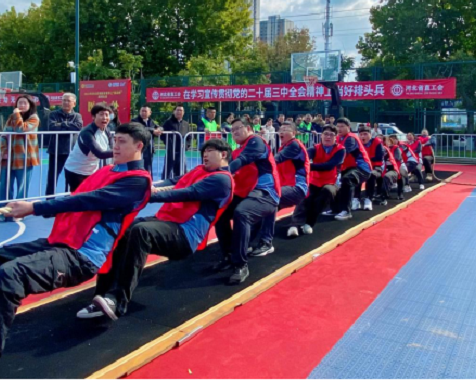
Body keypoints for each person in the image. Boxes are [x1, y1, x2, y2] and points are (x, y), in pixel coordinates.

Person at [0, 123, 151, 380]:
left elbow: (88, 200)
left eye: (122, 142)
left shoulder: (137, 181)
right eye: (114, 140)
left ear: (139, 146)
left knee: (9, 276)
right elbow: (77, 196)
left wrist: (35, 207)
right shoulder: (107, 171)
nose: (115, 146)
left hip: (81, 256)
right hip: (56, 243)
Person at [78, 138, 234, 320]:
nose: (205, 155)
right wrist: (143, 185)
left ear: (223, 154)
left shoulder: (222, 179)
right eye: (204, 151)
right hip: (168, 221)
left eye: (210, 151)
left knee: (141, 232)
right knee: (123, 229)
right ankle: (102, 293)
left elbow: (187, 193)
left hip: (185, 233)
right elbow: (174, 181)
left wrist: (145, 195)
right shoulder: (199, 171)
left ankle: (117, 300)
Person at [214, 119, 280, 284]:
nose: (234, 132)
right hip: (246, 193)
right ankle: (229, 254)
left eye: (238, 128)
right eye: (232, 130)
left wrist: (223, 172)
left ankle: (240, 264)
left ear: (249, 128)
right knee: (219, 212)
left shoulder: (256, 142)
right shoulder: (237, 151)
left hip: (266, 193)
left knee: (242, 213)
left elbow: (240, 162)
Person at [259, 122, 310, 239]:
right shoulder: (284, 147)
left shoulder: (294, 145)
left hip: (297, 187)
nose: (281, 132)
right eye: (280, 130)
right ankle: (252, 237)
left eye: (285, 130)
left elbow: (275, 160)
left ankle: (266, 240)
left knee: (268, 198)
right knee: (263, 208)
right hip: (286, 186)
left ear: (294, 133)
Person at [0, 95, 40, 222]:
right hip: (9, 157)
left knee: (22, 186)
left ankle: (19, 213)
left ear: (30, 105)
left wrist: (17, 115)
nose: (21, 105)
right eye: (19, 103)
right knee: (5, 186)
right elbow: (4, 134)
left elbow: (22, 129)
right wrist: (4, 150)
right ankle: (3, 212)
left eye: (24, 103)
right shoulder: (12, 117)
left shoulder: (34, 118)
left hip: (25, 157)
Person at [298, 124, 345, 235]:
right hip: (314, 181)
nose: (328, 137)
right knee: (304, 196)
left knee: (326, 193)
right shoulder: (314, 148)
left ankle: (310, 223)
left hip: (330, 182)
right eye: (325, 134)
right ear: (321, 135)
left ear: (336, 137)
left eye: (331, 135)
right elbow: (303, 158)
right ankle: (295, 223)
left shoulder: (340, 150)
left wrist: (309, 166)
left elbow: (329, 166)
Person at [63, 104, 114, 192]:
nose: (105, 118)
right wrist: (121, 151)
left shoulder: (106, 130)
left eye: (107, 115)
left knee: (90, 196)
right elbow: (100, 153)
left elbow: (113, 147)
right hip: (75, 170)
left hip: (91, 171)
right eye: (101, 114)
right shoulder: (87, 132)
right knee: (77, 197)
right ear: (93, 117)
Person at [331, 118, 372, 221]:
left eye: (342, 126)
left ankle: (346, 211)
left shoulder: (350, 138)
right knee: (333, 182)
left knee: (347, 179)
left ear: (348, 127)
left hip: (362, 168)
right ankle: (336, 209)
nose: (339, 129)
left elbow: (343, 154)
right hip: (349, 168)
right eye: (337, 126)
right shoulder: (339, 138)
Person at [45, 93, 83, 197]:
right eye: (64, 100)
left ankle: (68, 200)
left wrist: (61, 124)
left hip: (71, 151)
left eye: (68, 101)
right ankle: (49, 201)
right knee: (52, 178)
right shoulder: (53, 114)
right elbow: (52, 127)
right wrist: (68, 125)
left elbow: (78, 127)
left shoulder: (77, 116)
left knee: (70, 177)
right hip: (55, 151)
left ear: (74, 103)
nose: (65, 102)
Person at [354, 126, 384, 211]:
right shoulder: (356, 143)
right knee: (355, 174)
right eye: (361, 134)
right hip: (361, 167)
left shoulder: (377, 142)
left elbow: (379, 157)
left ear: (370, 135)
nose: (363, 136)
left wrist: (366, 159)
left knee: (371, 175)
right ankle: (356, 199)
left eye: (365, 134)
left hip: (376, 167)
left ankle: (368, 199)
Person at [132, 106, 163, 178]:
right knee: (138, 167)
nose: (143, 113)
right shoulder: (134, 121)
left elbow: (160, 127)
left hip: (149, 148)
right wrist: (152, 131)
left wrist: (159, 129)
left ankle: (149, 181)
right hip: (138, 149)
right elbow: (139, 128)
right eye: (142, 111)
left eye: (145, 111)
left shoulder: (151, 122)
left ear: (150, 113)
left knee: (148, 167)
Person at [161, 105, 190, 179]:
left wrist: (186, 146)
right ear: (174, 112)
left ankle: (179, 183)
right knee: (167, 170)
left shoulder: (186, 124)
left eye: (181, 110)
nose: (179, 112)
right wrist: (168, 143)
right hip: (170, 151)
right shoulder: (168, 123)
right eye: (177, 110)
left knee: (181, 170)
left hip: (181, 152)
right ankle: (164, 183)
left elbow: (189, 137)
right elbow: (162, 135)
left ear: (183, 112)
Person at [377, 136, 404, 205]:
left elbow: (398, 158)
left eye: (387, 141)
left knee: (401, 174)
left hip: (396, 166)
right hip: (384, 168)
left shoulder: (395, 148)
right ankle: (378, 193)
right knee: (376, 176)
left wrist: (388, 159)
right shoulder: (382, 148)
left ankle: (400, 193)